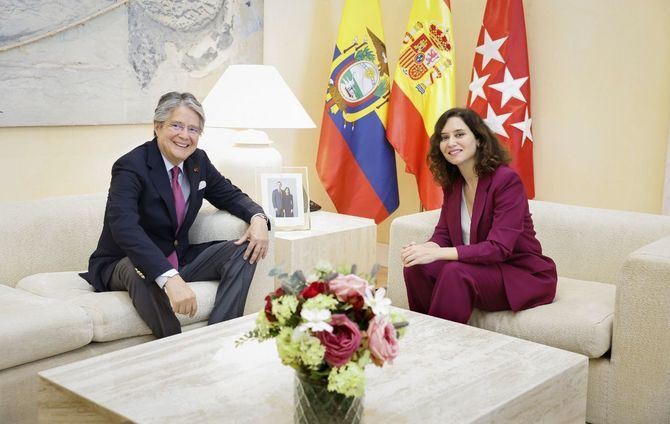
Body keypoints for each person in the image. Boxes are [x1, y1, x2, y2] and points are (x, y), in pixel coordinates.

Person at [80, 91, 270, 338]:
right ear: (158, 127)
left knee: (244, 250)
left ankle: (219, 338)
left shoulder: (198, 161)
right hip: (123, 261)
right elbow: (125, 228)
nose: (184, 135)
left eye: (193, 129)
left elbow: (231, 195)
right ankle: (175, 344)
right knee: (136, 268)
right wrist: (170, 278)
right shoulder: (131, 166)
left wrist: (258, 218)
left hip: (178, 255)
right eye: (176, 125)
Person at [400, 107, 556, 324]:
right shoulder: (454, 184)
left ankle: (440, 346)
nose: (451, 142)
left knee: (455, 272)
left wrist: (440, 254)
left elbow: (498, 248)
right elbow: (443, 233)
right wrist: (425, 250)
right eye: (444, 138)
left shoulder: (506, 181)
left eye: (459, 134)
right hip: (480, 270)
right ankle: (424, 332)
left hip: (518, 273)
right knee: (416, 267)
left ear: (479, 139)